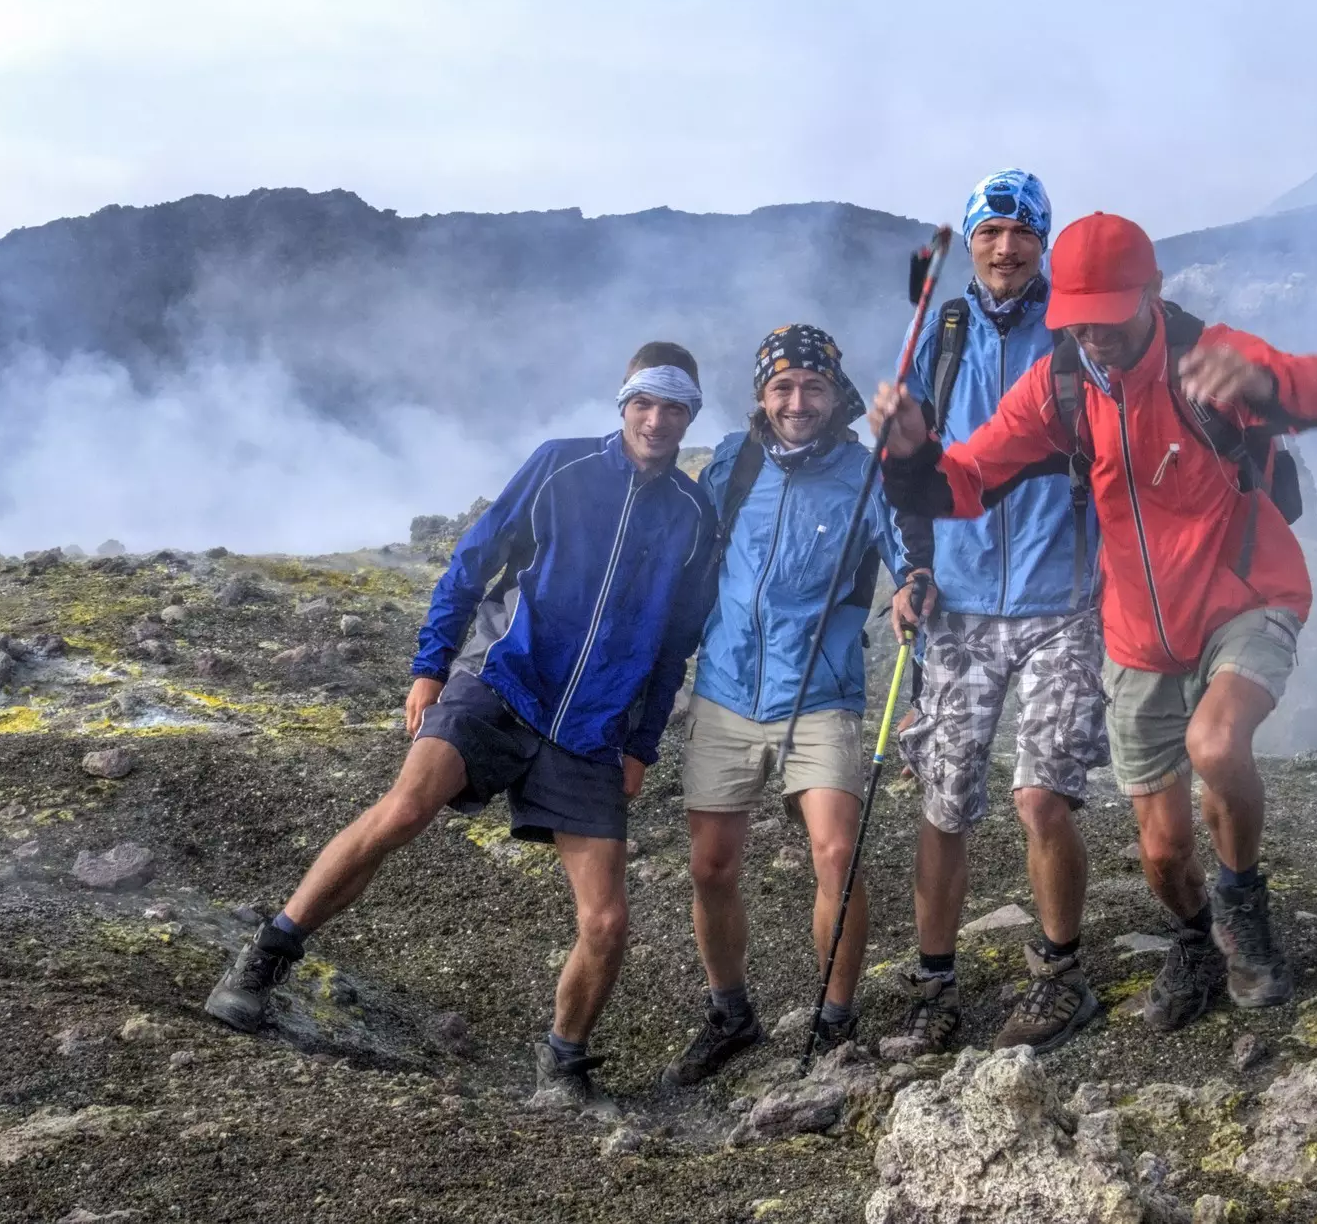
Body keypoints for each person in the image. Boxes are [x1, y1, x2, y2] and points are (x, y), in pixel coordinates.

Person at [872, 212, 1317, 1030]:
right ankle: (1197, 939)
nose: (1094, 335)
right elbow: (961, 484)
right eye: (1078, 318)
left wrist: (1266, 385)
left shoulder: (1207, 357)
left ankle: (1243, 910)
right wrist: (913, 450)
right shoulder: (1061, 383)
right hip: (1137, 633)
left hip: (1247, 597)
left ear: (1154, 292)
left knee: (1216, 744)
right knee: (1163, 851)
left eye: (1110, 314)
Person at [204, 343, 717, 1113]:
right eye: (644, 401)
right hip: (501, 681)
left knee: (607, 920)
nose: (657, 418)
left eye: (674, 406)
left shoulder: (693, 514)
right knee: (404, 810)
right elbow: (473, 563)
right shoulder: (560, 465)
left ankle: (563, 1067)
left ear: (690, 416)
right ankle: (266, 956)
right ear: (622, 403)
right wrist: (430, 665)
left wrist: (641, 745)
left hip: (591, 728)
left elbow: (677, 642)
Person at [877, 170, 1112, 1060]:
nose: (1005, 246)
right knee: (945, 803)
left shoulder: (1076, 329)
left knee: (1041, 796)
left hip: (1066, 599)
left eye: (1021, 231)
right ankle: (933, 986)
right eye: (990, 232)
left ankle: (1057, 975)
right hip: (963, 600)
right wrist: (911, 569)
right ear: (969, 242)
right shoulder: (940, 338)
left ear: (1042, 241)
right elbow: (909, 477)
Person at [665, 325, 908, 1084]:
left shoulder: (869, 478)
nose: (797, 402)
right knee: (712, 866)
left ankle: (835, 1021)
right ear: (762, 398)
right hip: (728, 688)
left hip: (823, 692)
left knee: (836, 852)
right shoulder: (732, 466)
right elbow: (691, 551)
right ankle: (730, 1013)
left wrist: (914, 589)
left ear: (837, 396)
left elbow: (910, 556)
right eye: (782, 388)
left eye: (812, 387)